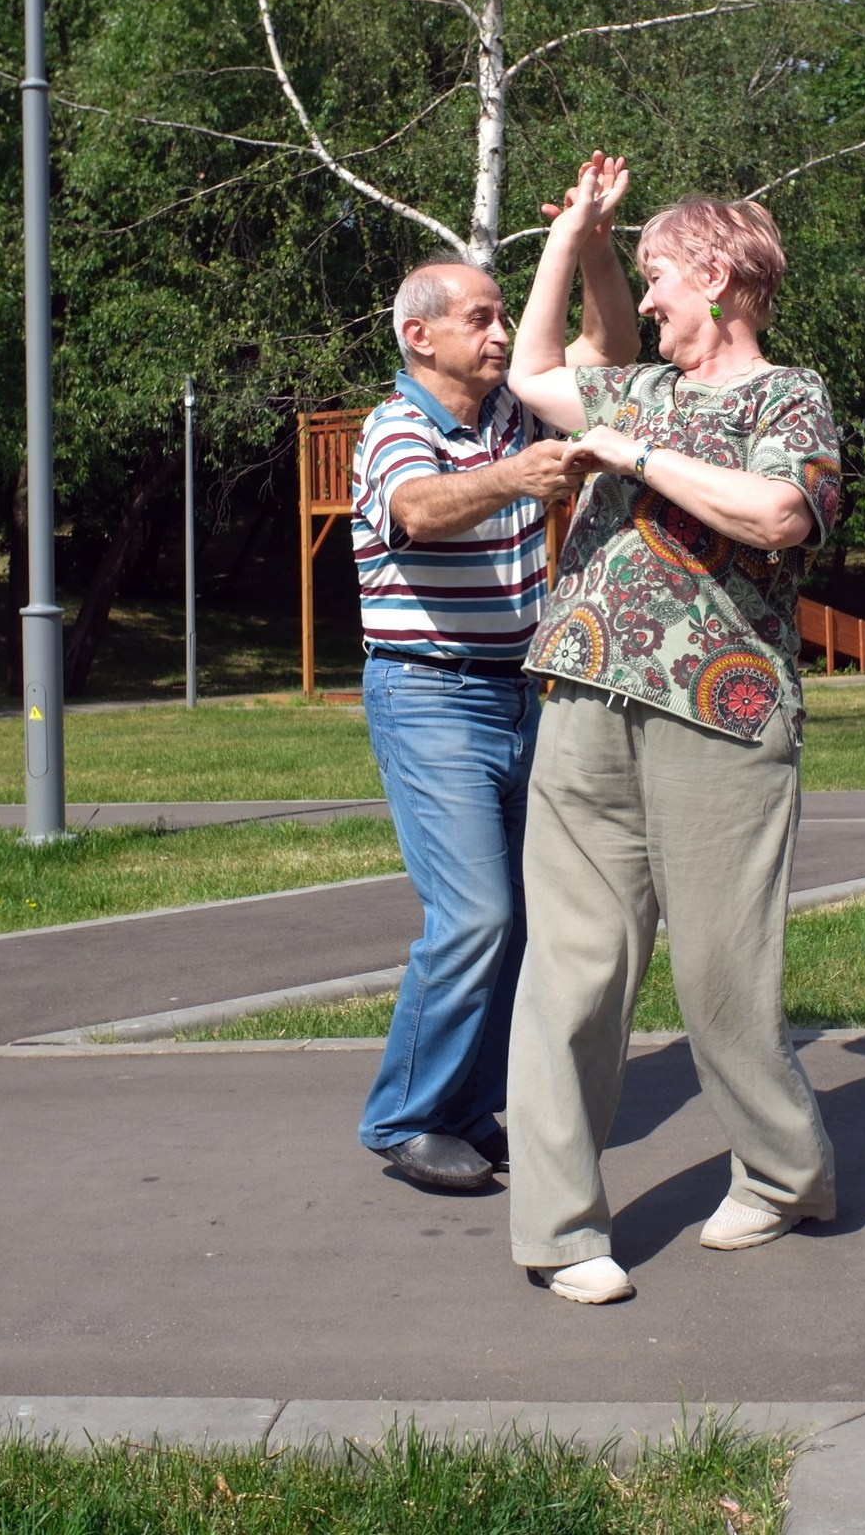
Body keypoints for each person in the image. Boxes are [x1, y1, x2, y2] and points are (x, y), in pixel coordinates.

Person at [505, 171, 840, 1300]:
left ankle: (784, 1174)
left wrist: (633, 456)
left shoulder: (787, 399)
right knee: (572, 970)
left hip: (723, 712)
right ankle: (560, 1232)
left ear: (721, 276)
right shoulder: (633, 386)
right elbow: (533, 371)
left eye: (657, 278)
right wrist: (573, 238)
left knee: (721, 976)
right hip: (585, 692)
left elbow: (780, 514)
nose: (644, 303)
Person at [351, 157, 636, 1193]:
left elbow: (612, 349)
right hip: (428, 693)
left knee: (520, 912)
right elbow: (419, 512)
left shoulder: (512, 414)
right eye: (480, 317)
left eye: (503, 314)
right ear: (419, 335)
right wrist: (515, 477)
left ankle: (467, 1107)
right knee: (473, 915)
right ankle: (404, 1118)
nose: (502, 331)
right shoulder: (396, 429)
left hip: (522, 695)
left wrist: (596, 243)